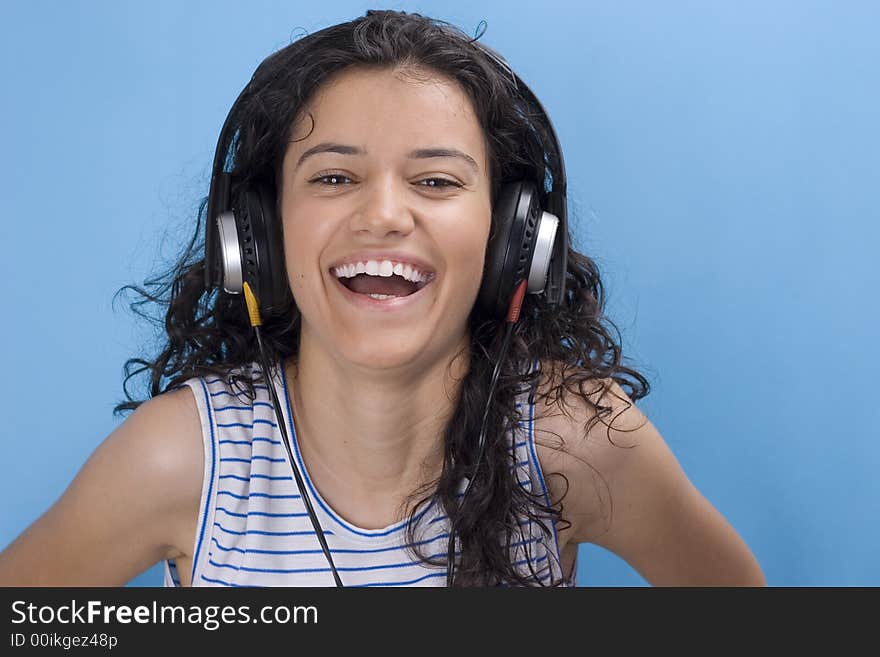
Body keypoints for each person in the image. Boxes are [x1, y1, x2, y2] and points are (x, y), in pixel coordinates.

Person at [0, 9, 765, 587]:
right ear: (259, 235)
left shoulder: (573, 439)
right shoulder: (184, 460)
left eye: (436, 181)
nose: (384, 215)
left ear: (513, 243)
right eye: (334, 178)